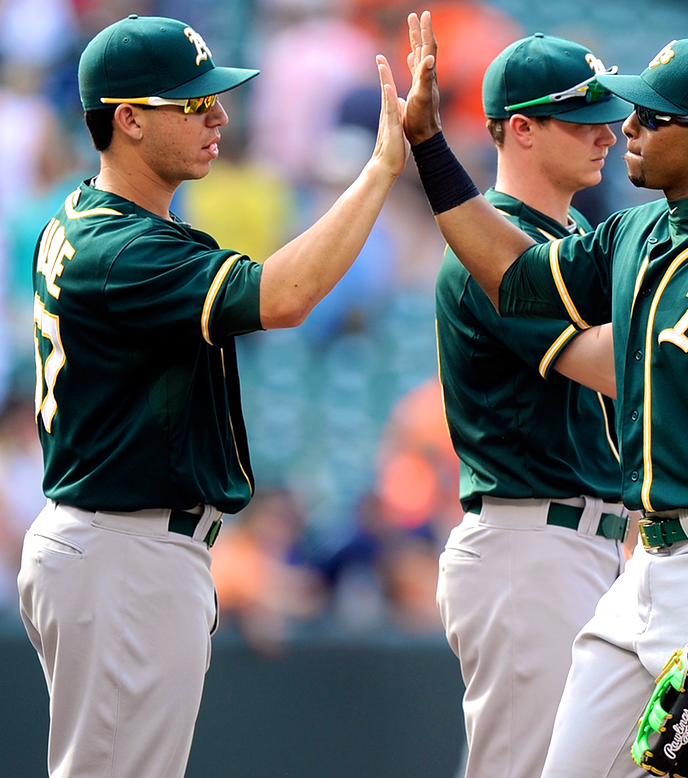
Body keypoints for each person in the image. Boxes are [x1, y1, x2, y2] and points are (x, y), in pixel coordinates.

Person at [403, 13, 688, 778]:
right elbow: (511, 278)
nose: (627, 125)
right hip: (646, 560)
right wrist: (428, 148)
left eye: (650, 114)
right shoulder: (635, 232)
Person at [17, 14, 405, 778]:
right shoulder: (121, 246)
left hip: (112, 542)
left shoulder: (90, 217)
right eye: (192, 104)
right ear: (128, 119)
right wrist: (381, 169)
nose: (218, 115)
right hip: (122, 549)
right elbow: (284, 297)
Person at [433, 33, 632, 778]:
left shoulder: (574, 237)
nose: (606, 132)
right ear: (521, 127)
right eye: (583, 118)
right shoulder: (487, 245)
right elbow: (613, 367)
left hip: (589, 540)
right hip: (530, 543)